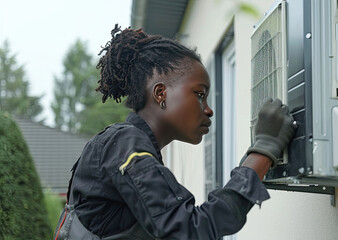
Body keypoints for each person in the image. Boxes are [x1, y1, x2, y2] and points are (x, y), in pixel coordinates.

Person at [54, 24, 295, 240]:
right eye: (200, 94)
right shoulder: (126, 145)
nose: (209, 110)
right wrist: (263, 150)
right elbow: (192, 230)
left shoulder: (130, 148)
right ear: (161, 94)